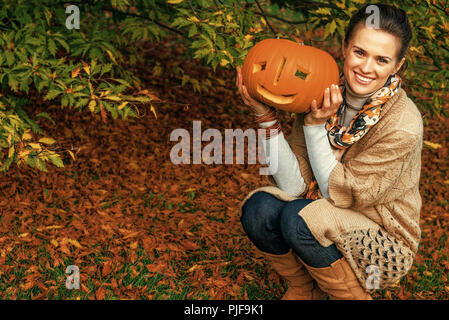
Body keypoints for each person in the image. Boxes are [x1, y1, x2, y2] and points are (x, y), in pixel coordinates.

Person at [236, 3, 423, 300]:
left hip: (382, 240)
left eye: (382, 59)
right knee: (260, 209)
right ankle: (304, 288)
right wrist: (265, 117)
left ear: (397, 66)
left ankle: (348, 296)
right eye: (360, 52)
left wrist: (314, 128)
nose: (366, 68)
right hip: (321, 216)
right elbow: (294, 185)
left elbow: (340, 195)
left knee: (300, 217)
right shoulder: (320, 90)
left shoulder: (403, 123)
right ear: (345, 47)